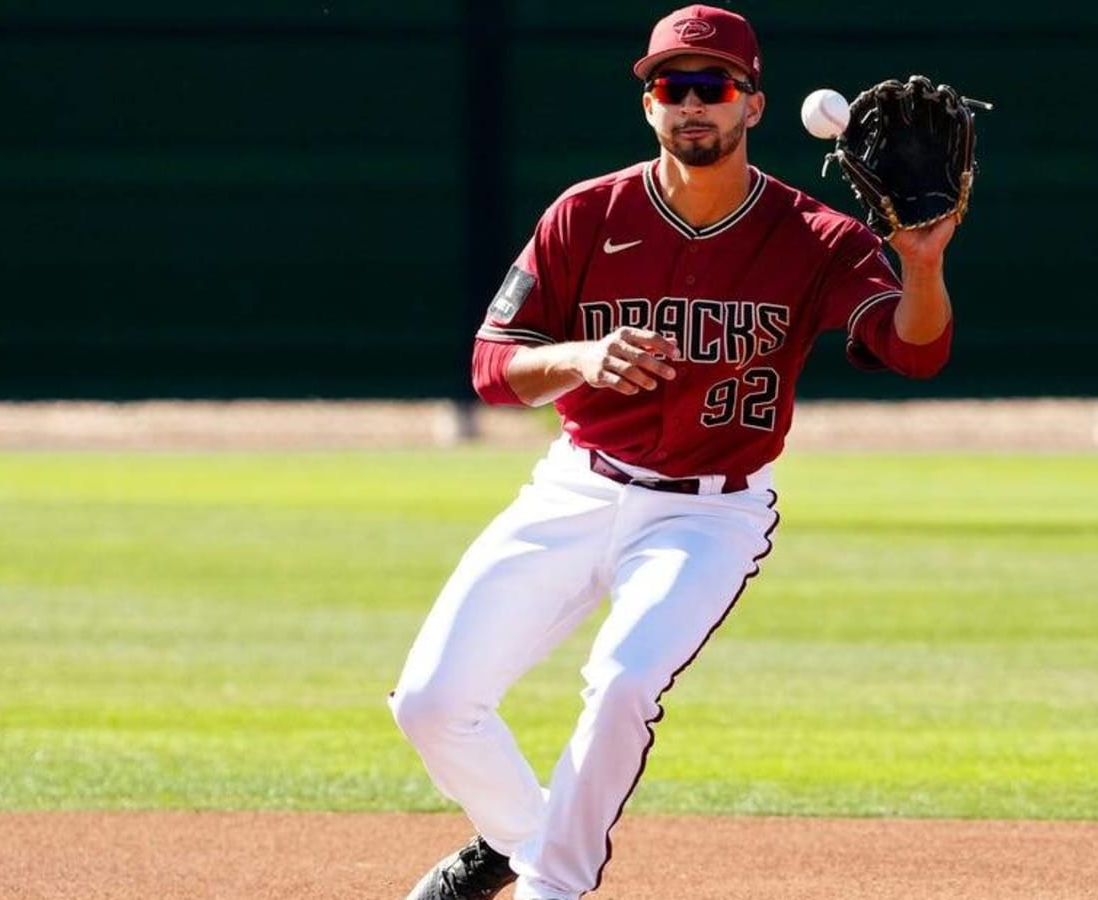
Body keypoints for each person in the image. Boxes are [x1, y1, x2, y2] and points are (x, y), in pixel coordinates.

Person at [390, 5, 957, 899]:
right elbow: (492, 366)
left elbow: (915, 349)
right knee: (430, 704)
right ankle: (516, 837)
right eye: (670, 85)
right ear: (649, 103)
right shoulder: (587, 214)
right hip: (575, 486)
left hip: (708, 512)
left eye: (713, 85)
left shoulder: (818, 238)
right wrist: (579, 355)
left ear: (753, 105)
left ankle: (551, 886)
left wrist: (921, 265)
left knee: (620, 685)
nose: (691, 103)